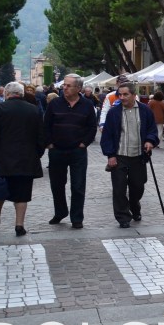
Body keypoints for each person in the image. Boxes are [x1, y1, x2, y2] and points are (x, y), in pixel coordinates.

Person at [0, 82, 45, 237]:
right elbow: (41, 136)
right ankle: (19, 224)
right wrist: (37, 154)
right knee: (22, 193)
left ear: (6, 93)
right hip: (27, 159)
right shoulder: (34, 110)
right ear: (22, 94)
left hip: (3, 158)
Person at [101, 82, 159, 228]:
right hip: (119, 156)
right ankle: (123, 217)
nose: (122, 97)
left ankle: (134, 206)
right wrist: (110, 155)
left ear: (134, 95)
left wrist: (150, 141)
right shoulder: (114, 113)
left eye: (125, 94)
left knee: (138, 186)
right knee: (119, 188)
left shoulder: (145, 110)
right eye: (119, 95)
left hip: (138, 156)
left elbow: (152, 130)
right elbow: (107, 135)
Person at [44, 73, 97, 229]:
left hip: (77, 151)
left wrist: (84, 143)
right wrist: (49, 143)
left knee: (78, 185)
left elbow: (92, 127)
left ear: (78, 88)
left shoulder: (87, 105)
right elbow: (46, 125)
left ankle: (77, 217)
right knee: (57, 184)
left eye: (68, 86)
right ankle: (60, 212)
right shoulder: (55, 104)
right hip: (57, 150)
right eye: (64, 85)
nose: (64, 88)